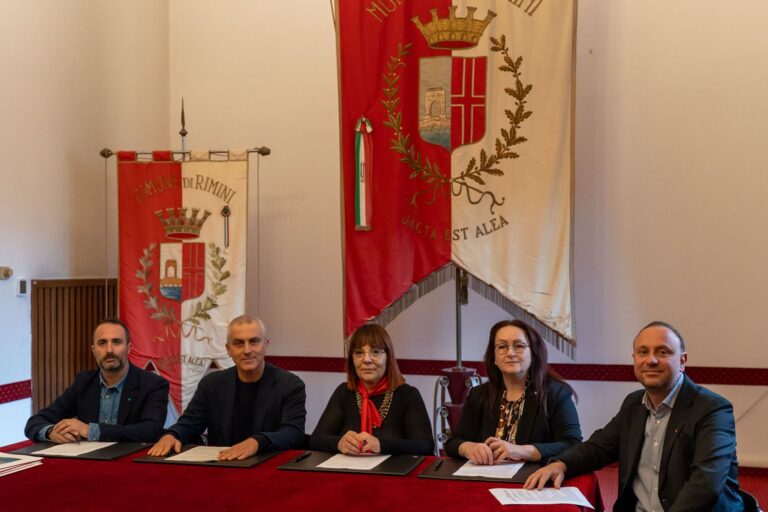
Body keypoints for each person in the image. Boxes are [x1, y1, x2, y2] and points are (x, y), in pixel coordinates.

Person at [525, 321, 744, 512]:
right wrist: (561, 464)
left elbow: (705, 485)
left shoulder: (712, 409)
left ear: (682, 360)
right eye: (643, 352)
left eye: (663, 352)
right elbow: (597, 448)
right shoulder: (634, 404)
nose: (651, 360)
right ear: (634, 359)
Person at [148, 315, 306, 460]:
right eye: (239, 343)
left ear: (266, 345)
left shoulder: (290, 384)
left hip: (269, 466)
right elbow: (190, 423)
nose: (247, 350)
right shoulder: (212, 383)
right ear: (228, 349)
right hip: (222, 465)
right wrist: (172, 435)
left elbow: (293, 433)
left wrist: (258, 442)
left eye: (254, 341)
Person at [444, 319, 581, 464]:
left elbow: (573, 444)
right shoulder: (478, 395)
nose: (510, 353)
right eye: (502, 347)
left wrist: (521, 451)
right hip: (486, 474)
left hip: (533, 475)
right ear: (494, 357)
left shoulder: (556, 394)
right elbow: (454, 442)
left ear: (533, 354)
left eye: (519, 346)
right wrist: (468, 447)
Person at [25, 318, 169, 443]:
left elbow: (151, 430)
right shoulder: (83, 382)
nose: (109, 350)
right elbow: (35, 422)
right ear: (94, 351)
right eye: (102, 343)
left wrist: (90, 431)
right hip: (88, 461)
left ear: (128, 348)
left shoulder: (153, 384)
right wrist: (51, 432)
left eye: (116, 342)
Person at [310, 324, 434, 455]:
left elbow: (425, 446)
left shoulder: (408, 395)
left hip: (392, 468)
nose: (367, 360)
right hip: (349, 467)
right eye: (359, 353)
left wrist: (381, 445)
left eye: (375, 352)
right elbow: (315, 440)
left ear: (388, 357)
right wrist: (338, 443)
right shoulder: (344, 392)